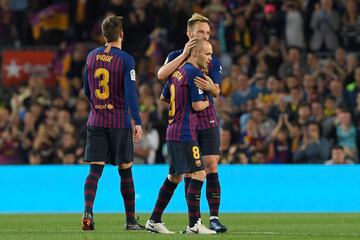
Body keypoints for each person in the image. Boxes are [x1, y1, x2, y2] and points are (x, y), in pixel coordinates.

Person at [157, 13, 226, 233]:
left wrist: (209, 88)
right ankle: (193, 221)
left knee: (211, 165)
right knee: (191, 171)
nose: (205, 35)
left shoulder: (211, 60)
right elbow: (162, 78)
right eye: (201, 32)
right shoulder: (176, 57)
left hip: (207, 118)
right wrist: (185, 57)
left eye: (208, 32)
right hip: (187, 121)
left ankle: (213, 217)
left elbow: (217, 90)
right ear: (189, 34)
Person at [145, 39, 216, 235]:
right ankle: (194, 224)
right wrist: (209, 93)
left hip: (174, 129)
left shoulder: (177, 71)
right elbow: (198, 105)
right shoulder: (194, 73)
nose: (210, 58)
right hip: (185, 132)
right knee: (199, 173)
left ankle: (154, 220)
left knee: (174, 177)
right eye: (207, 54)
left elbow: (164, 97)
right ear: (195, 53)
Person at [81, 15, 143, 231]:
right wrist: (138, 120)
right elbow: (130, 93)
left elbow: (87, 91)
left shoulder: (91, 57)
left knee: (94, 170)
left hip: (96, 120)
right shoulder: (126, 60)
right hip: (119, 121)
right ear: (121, 34)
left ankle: (88, 211)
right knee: (125, 170)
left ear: (104, 35)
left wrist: (98, 106)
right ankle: (130, 221)